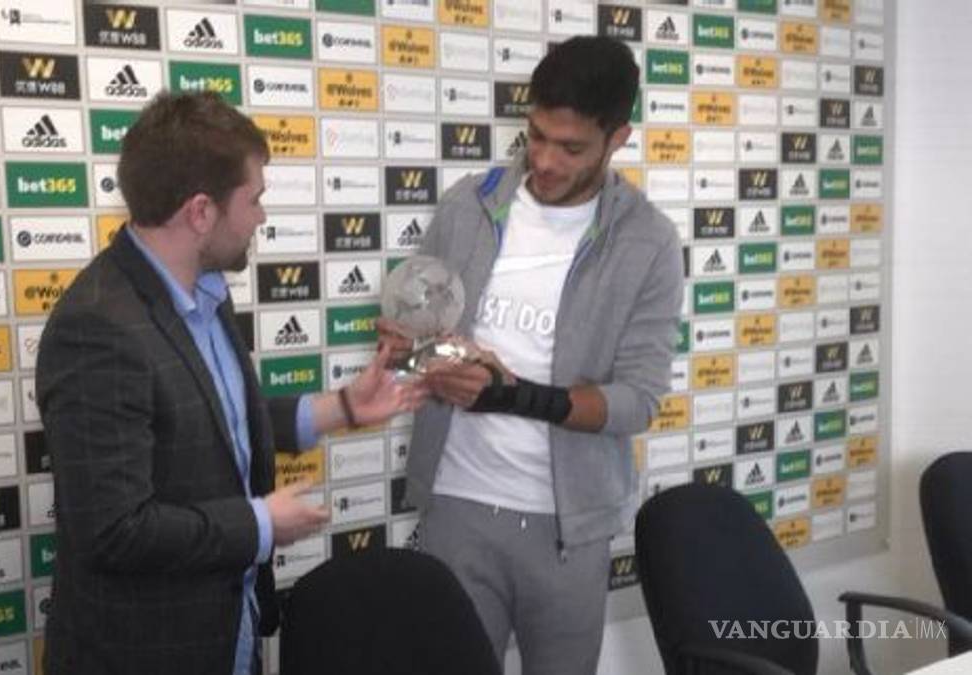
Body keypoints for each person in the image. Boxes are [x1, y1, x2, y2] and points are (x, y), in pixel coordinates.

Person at [36, 91, 423, 675]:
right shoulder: (97, 327)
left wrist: (342, 407)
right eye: (254, 199)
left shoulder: (205, 290)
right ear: (200, 212)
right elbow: (114, 529)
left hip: (228, 637)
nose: (260, 218)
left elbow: (209, 422)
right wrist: (261, 524)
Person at [378, 36, 684, 675]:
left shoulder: (650, 242)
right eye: (537, 135)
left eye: (570, 148)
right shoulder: (467, 204)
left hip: (568, 528)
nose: (544, 160)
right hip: (454, 507)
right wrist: (421, 354)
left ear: (618, 138)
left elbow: (637, 402)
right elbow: (405, 349)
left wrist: (509, 394)